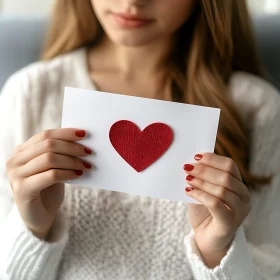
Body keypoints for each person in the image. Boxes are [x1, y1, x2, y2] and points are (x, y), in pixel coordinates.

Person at [0, 0, 279, 279]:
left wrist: (217, 250)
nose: (133, 2)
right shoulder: (28, 95)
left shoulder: (257, 110)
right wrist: (32, 228)